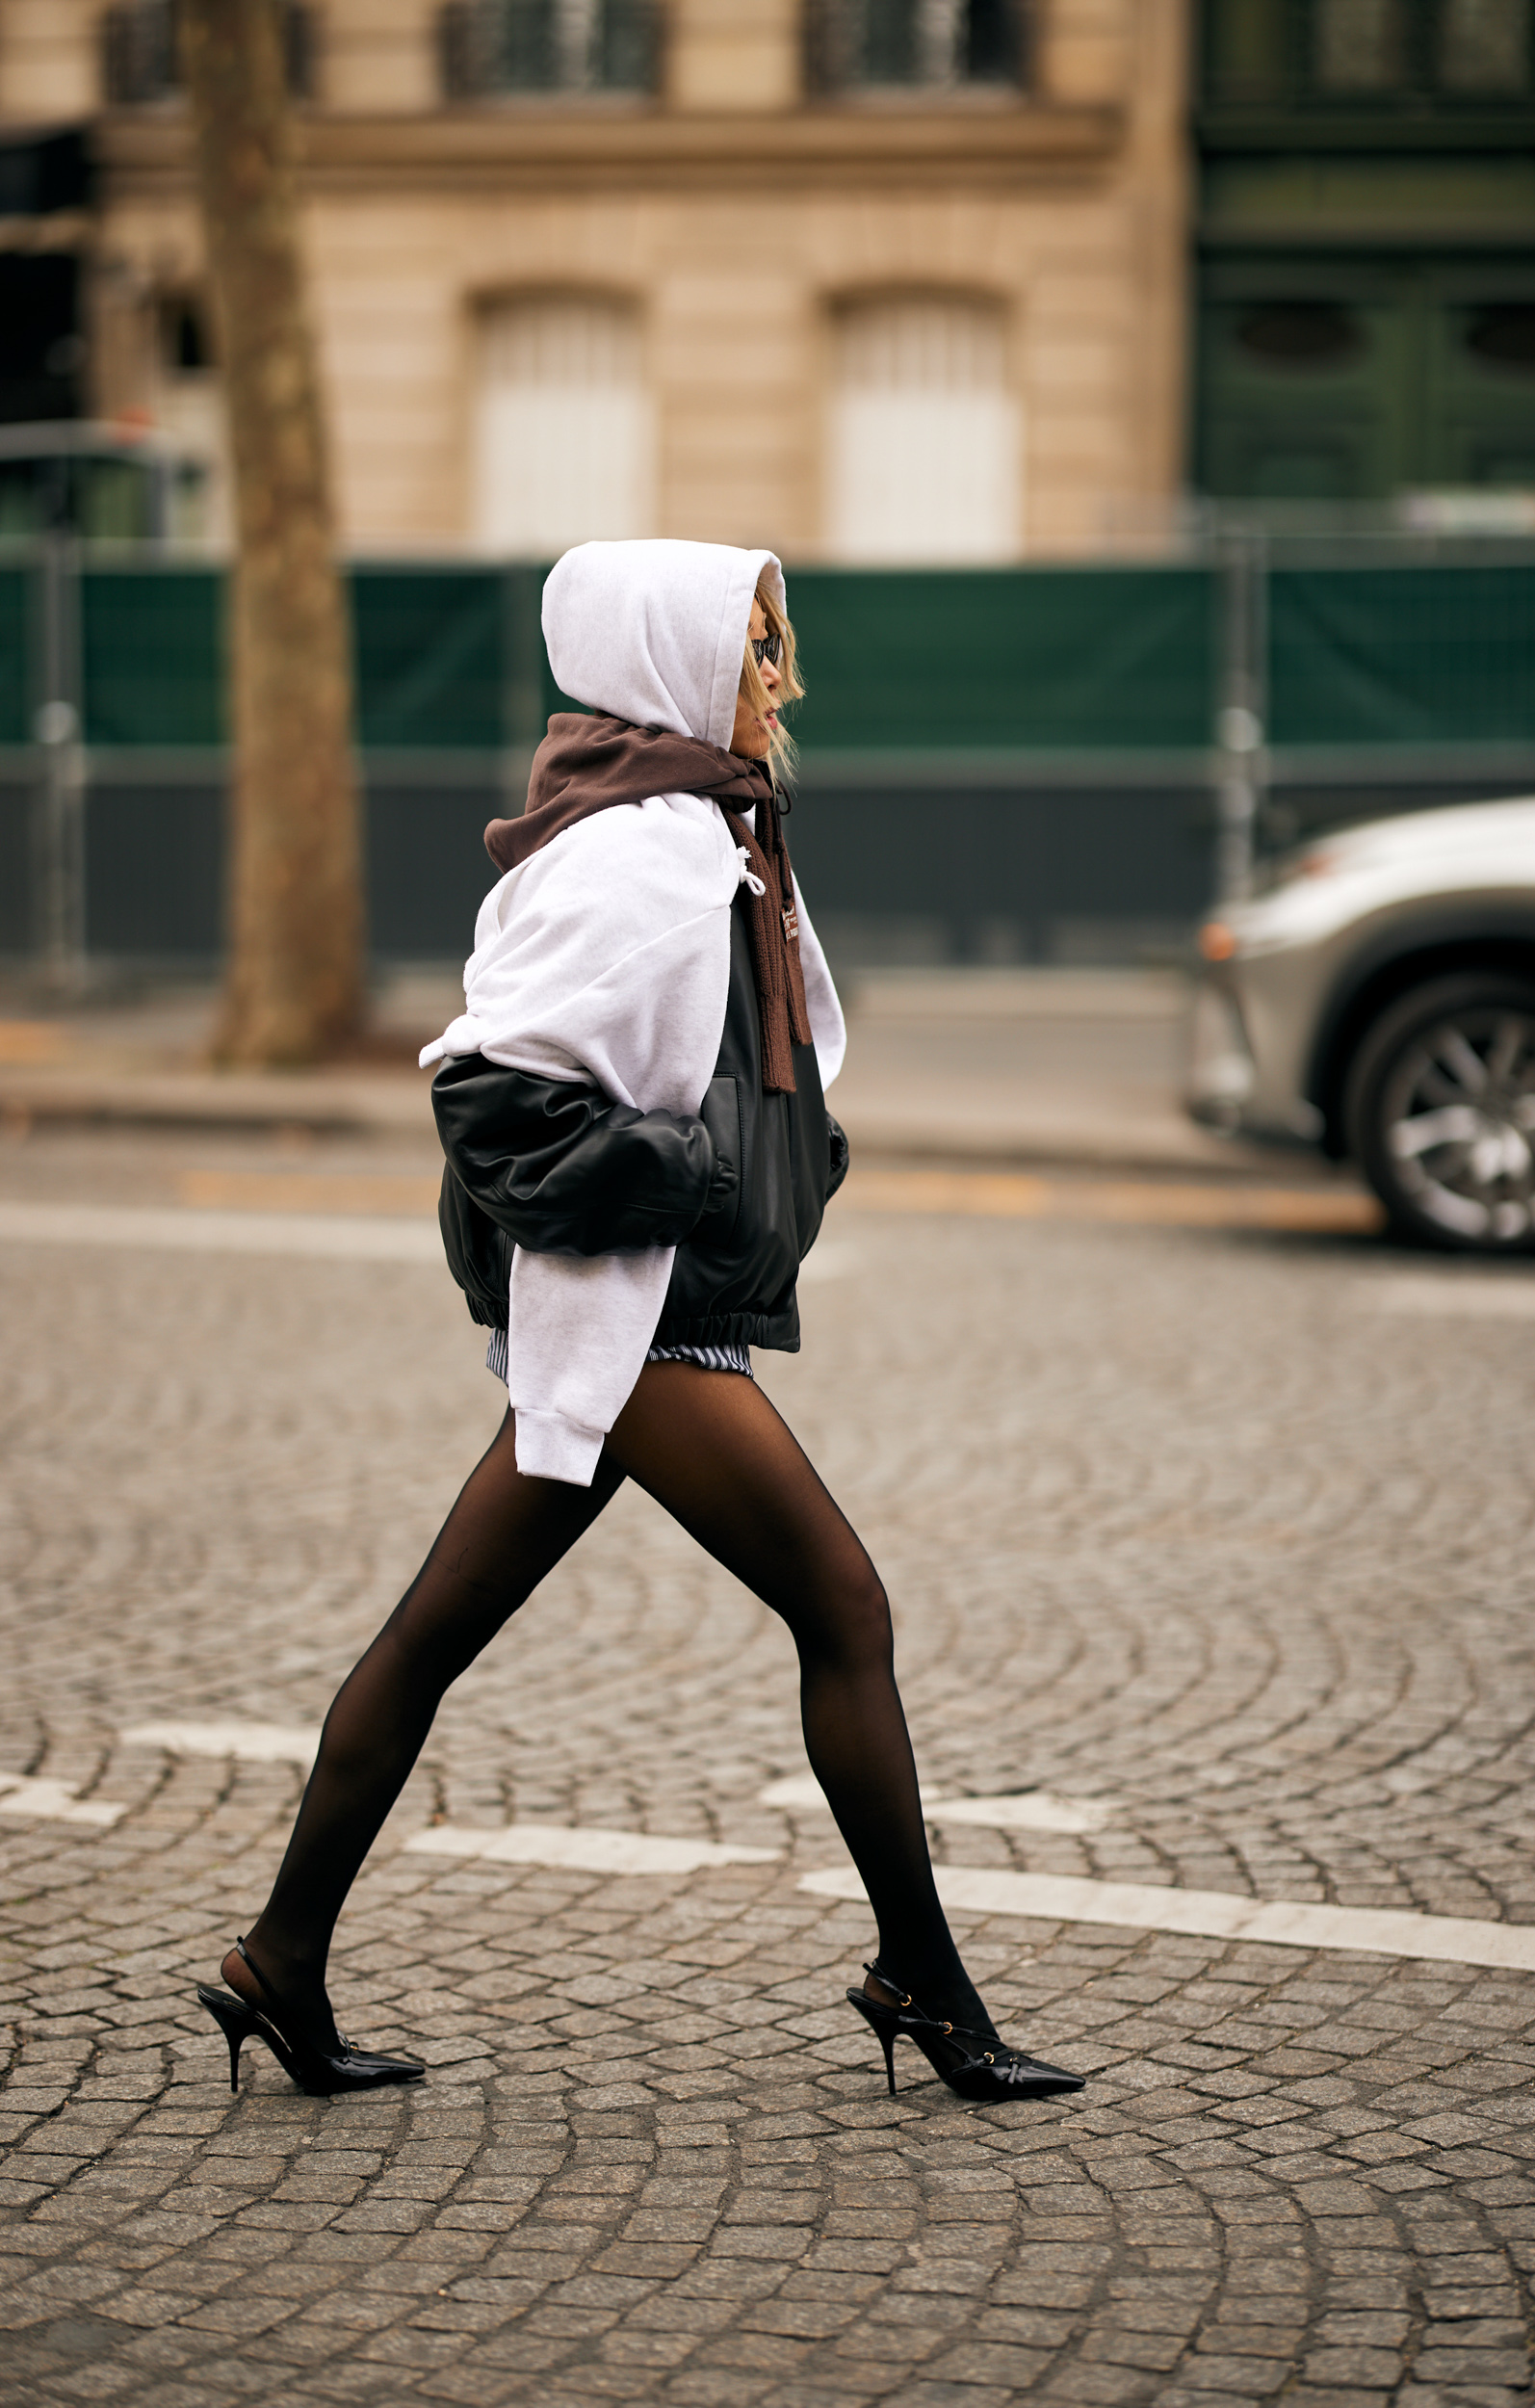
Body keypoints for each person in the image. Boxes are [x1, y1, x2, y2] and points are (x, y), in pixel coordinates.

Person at [197, 539, 1083, 2107]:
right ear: (668, 658)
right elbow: (488, 1088)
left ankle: (280, 1956)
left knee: (432, 1635)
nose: (777, 677)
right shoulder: (633, 850)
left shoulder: (698, 831)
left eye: (775, 644)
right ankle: (927, 1984)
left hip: (641, 1308)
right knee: (847, 1607)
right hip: (638, 1313)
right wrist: (689, 1181)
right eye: (751, 646)